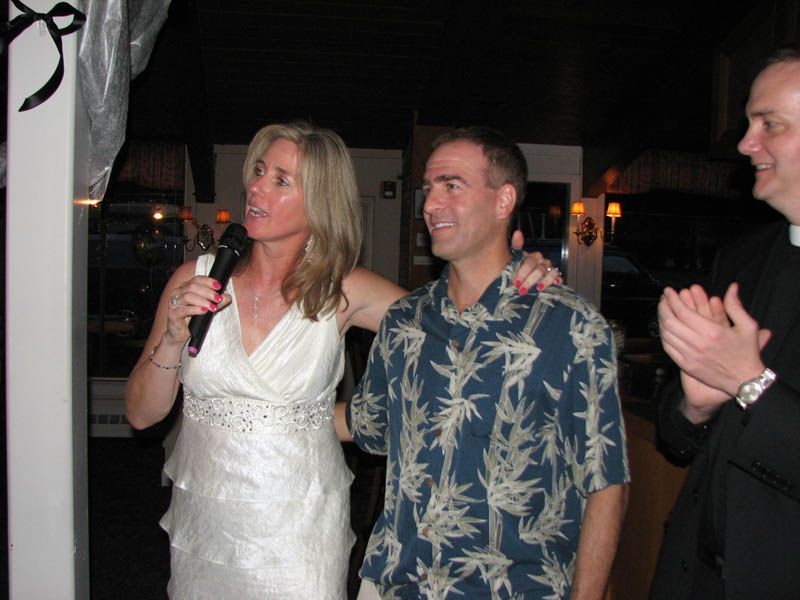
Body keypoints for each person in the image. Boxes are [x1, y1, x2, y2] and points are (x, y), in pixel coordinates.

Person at [125, 122, 559, 599]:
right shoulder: (195, 278)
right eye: (259, 172)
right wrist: (169, 340)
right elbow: (141, 415)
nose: (255, 187)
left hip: (298, 537)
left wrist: (517, 278)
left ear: (319, 202)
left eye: (280, 180)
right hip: (205, 530)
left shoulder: (344, 290)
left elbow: (457, 329)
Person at [339, 127, 629, 599]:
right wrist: (256, 414)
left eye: (451, 185)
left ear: (503, 201)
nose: (431, 204)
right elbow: (368, 424)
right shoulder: (404, 321)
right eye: (428, 189)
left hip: (511, 589)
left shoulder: (570, 327)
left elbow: (605, 482)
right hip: (400, 584)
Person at [651, 50, 800, 600]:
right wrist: (696, 403)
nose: (744, 143)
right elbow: (676, 437)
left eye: (769, 125)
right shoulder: (741, 259)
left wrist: (751, 383)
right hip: (693, 576)